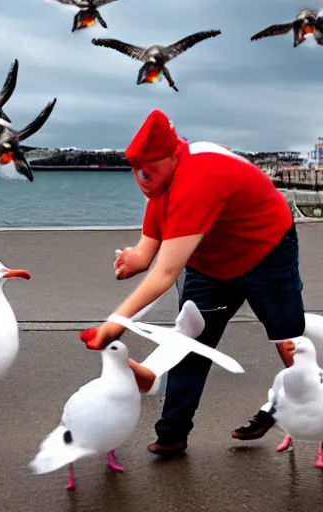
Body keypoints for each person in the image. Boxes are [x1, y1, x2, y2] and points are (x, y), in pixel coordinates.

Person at [79, 108, 305, 456]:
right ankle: (172, 433)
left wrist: (115, 324)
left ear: (173, 156)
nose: (142, 177)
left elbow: (165, 273)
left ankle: (307, 409)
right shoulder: (163, 181)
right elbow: (148, 249)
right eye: (136, 169)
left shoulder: (198, 180)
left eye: (149, 169)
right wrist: (135, 259)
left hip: (267, 251)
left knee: (288, 341)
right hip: (211, 264)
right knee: (190, 339)